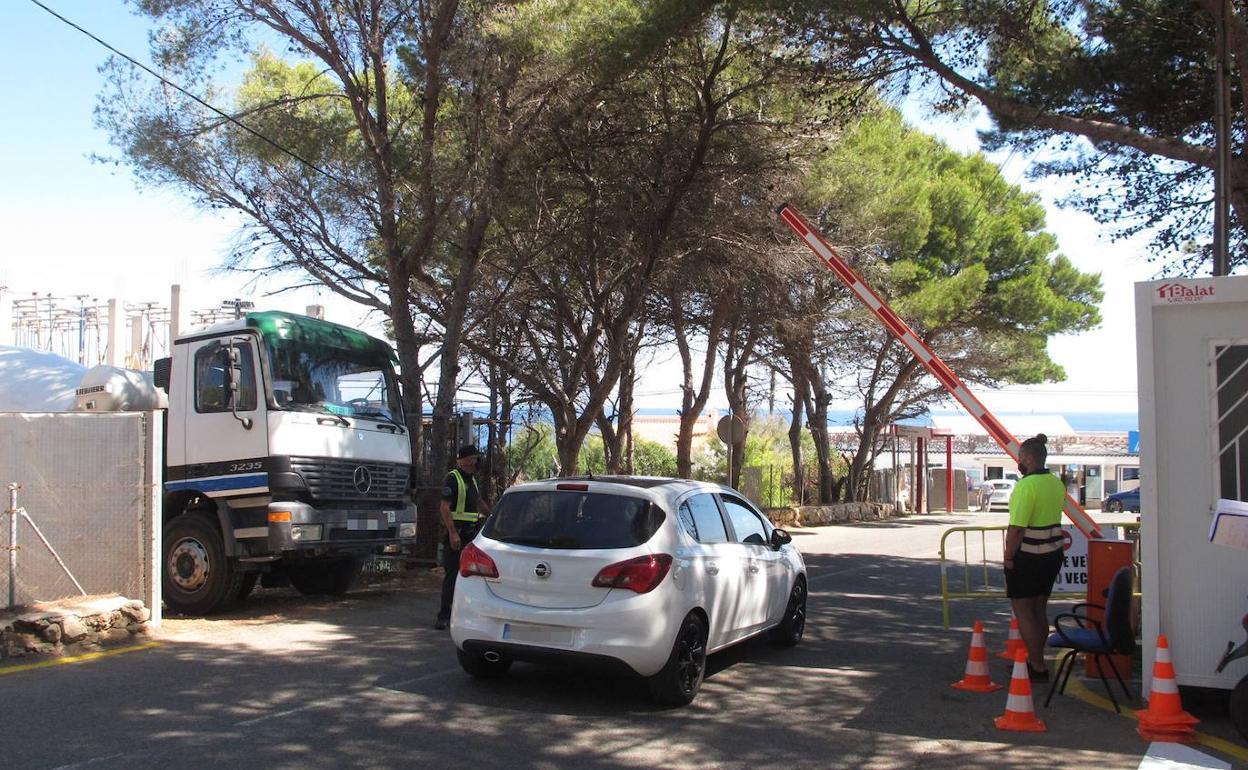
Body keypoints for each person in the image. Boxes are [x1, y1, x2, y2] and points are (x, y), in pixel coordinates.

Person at [1003, 434, 1066, 682]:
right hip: (1052, 554)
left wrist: (1009, 557)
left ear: (1028, 458)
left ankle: (1037, 665)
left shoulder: (1025, 486)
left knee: (1023, 610)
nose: (1018, 461)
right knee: (1040, 609)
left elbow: (1017, 528)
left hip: (1029, 556)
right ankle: (1037, 661)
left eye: (1020, 457)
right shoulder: (1055, 483)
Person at [434, 444, 491, 630]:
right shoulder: (453, 478)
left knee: (471, 576)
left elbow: (478, 502)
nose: (476, 462)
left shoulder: (472, 480)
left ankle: (468, 614)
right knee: (452, 575)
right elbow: (444, 507)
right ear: (464, 460)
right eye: (473, 458)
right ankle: (444, 615)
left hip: (471, 535)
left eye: (476, 458)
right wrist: (452, 532)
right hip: (457, 534)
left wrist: (493, 515)